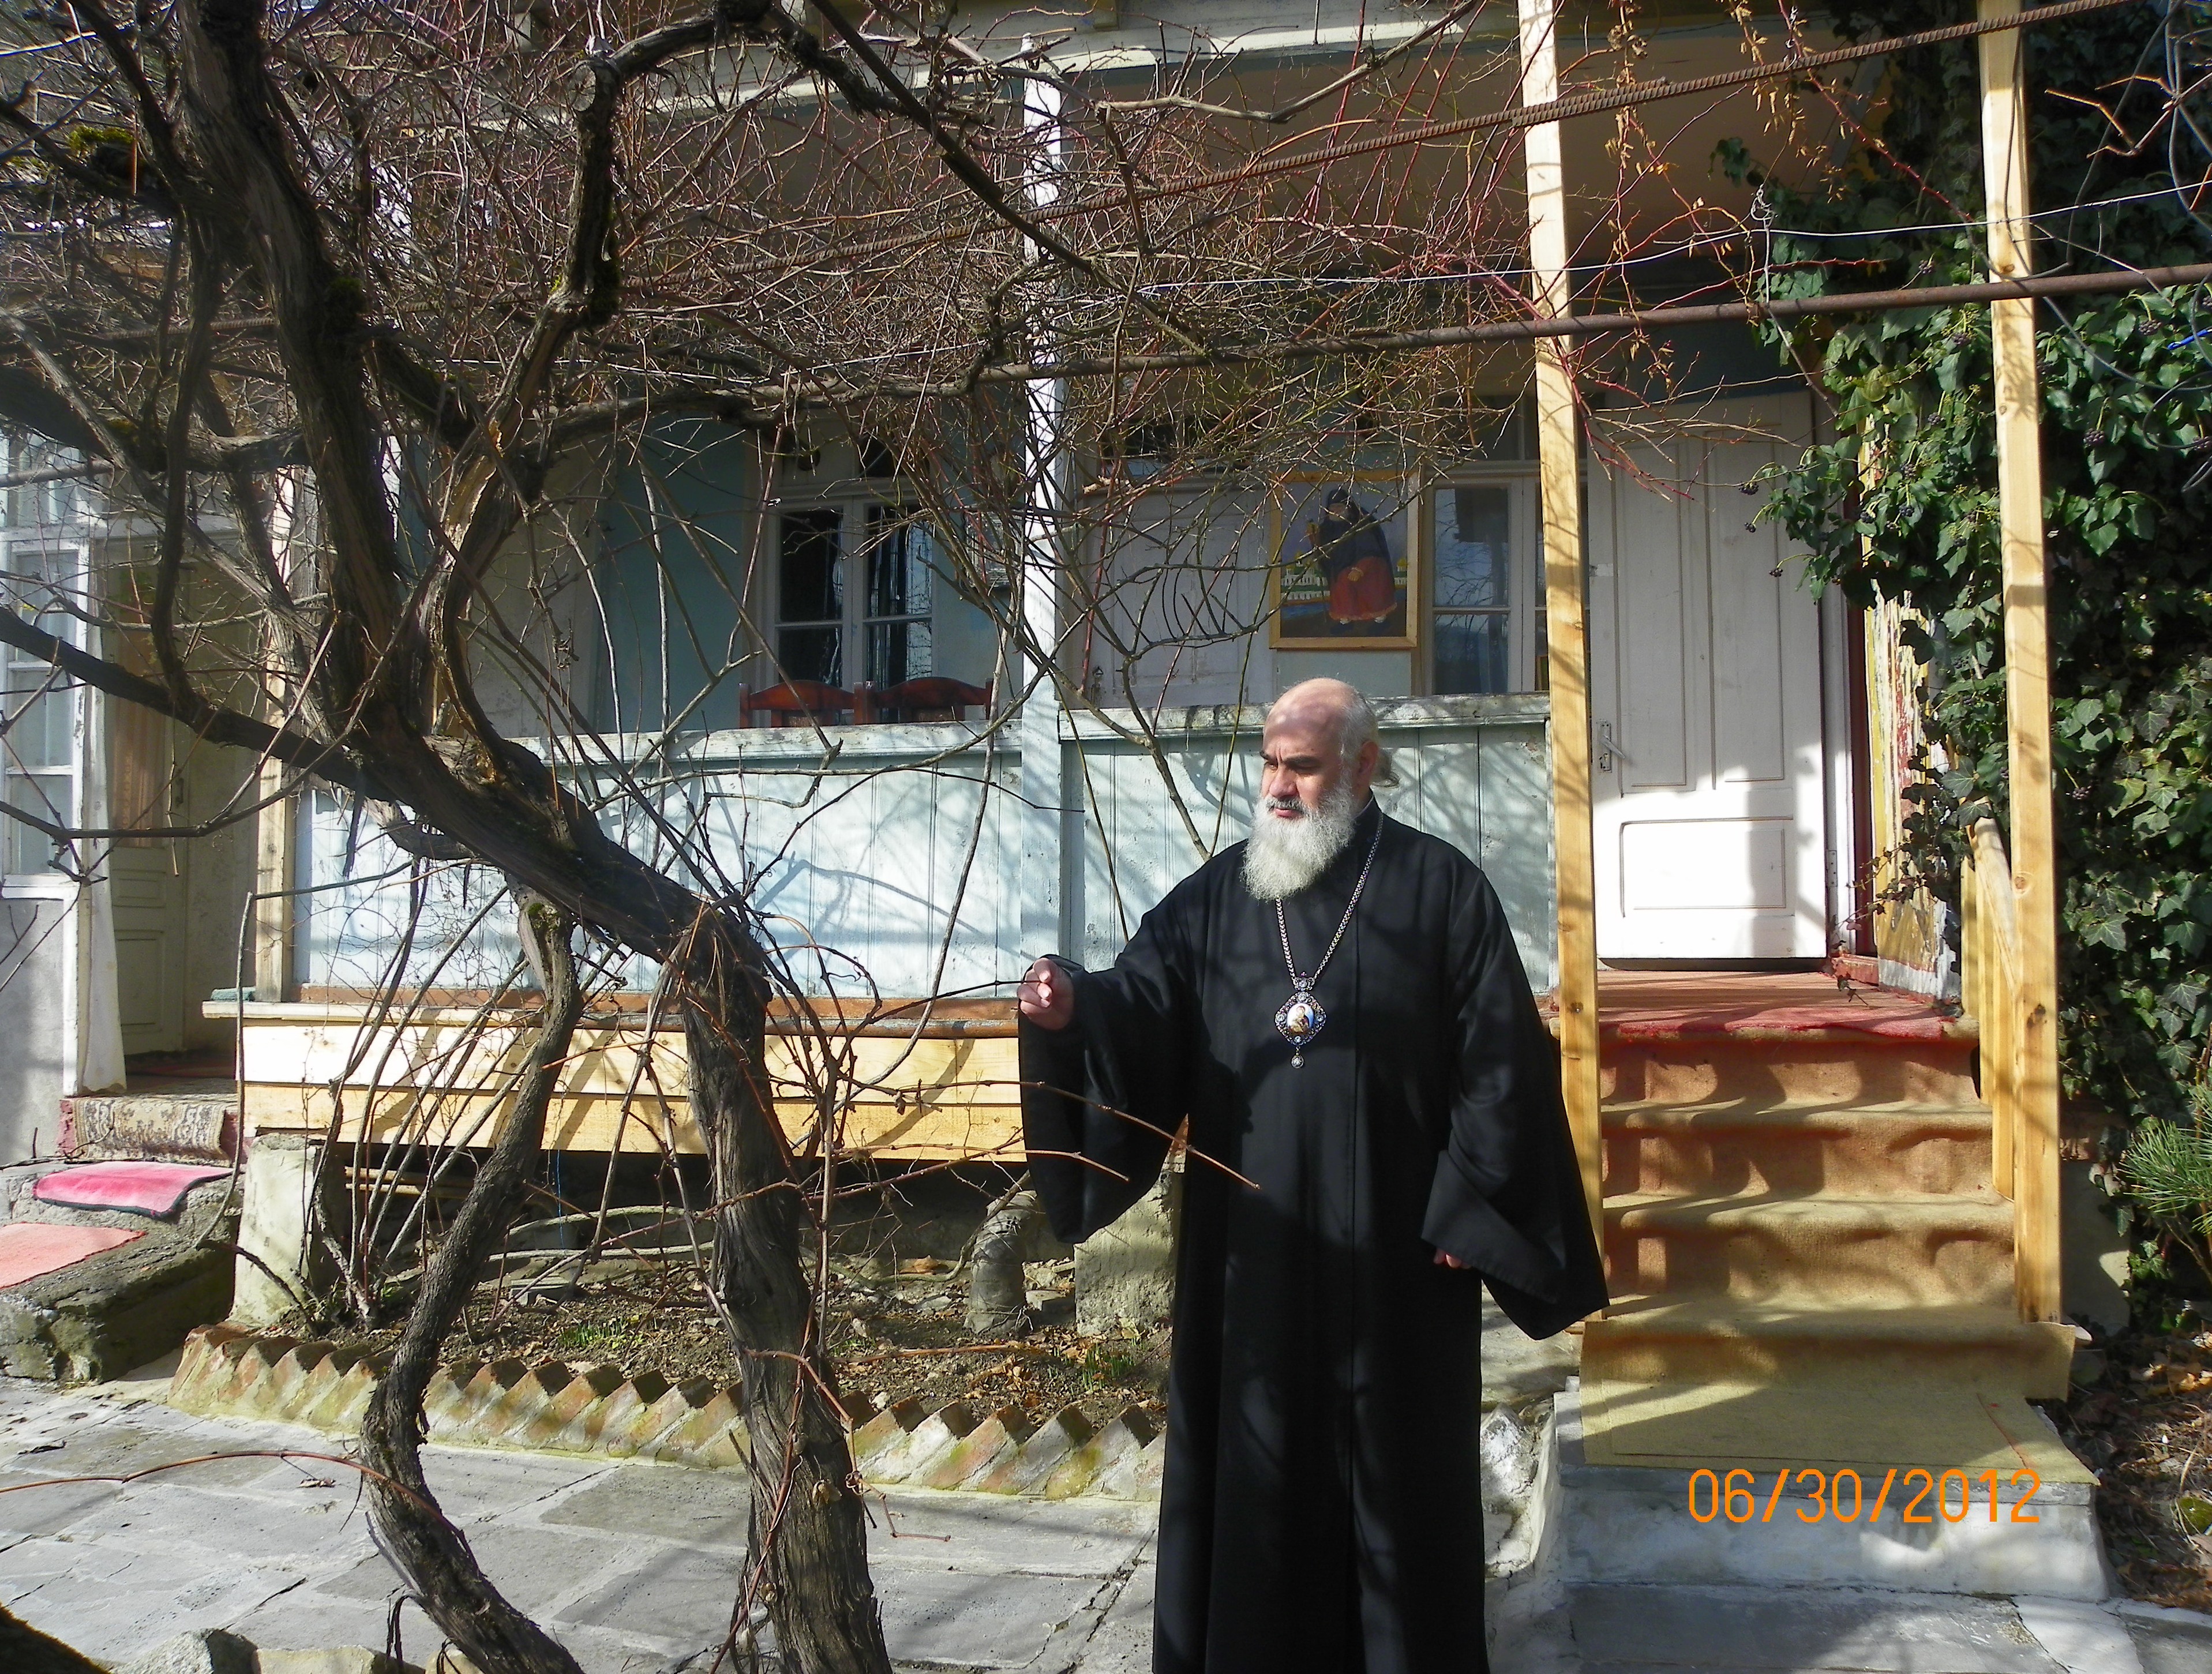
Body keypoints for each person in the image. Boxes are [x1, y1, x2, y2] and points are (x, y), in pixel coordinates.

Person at [1017, 678, 1605, 1674]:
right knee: (1256, 1473)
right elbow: (1142, 1000)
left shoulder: (1439, 890)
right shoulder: (1219, 895)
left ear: (1362, 766)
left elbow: (1500, 1059)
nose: (1278, 786)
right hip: (1250, 1259)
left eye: (1302, 766)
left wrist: (1470, 1201)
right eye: (1269, 764)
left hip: (1400, 1257)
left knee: (1396, 1482)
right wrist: (1073, 1007)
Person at [1304, 488, 1399, 626]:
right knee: (1342, 580)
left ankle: (1379, 616)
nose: (1336, 511)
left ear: (1347, 507)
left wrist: (1359, 569)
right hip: (1341, 569)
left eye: (1339, 507)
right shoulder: (1327, 527)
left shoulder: (1361, 522)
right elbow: (1323, 552)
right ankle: (1345, 619)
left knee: (1357, 580)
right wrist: (1314, 536)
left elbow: (1371, 549)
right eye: (1332, 507)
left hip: (1368, 567)